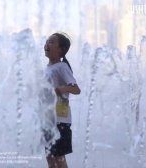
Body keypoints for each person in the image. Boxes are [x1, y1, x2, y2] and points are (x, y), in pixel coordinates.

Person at [44, 32, 81, 168]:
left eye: (52, 42)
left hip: (60, 120)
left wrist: (62, 89)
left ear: (61, 50)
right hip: (48, 119)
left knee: (59, 157)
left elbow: (76, 89)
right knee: (50, 156)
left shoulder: (62, 67)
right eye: (47, 41)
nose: (47, 44)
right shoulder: (48, 68)